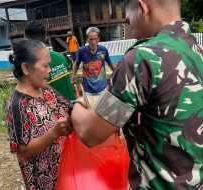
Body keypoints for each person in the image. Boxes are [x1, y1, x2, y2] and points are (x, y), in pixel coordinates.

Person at [69, 0, 203, 189]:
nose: (130, 28)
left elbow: (89, 132)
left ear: (142, 8)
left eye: (128, 20)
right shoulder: (198, 52)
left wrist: (75, 105)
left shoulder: (142, 59)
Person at [6, 39, 71, 190]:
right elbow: (24, 152)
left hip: (65, 171)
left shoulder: (46, 89)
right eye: (45, 66)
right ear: (26, 68)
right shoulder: (18, 104)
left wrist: (78, 106)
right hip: (44, 183)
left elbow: (66, 107)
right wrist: (54, 133)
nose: (50, 70)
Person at [24, 23, 76, 101]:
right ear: (45, 38)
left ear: (26, 40)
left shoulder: (31, 66)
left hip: (56, 111)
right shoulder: (61, 57)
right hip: (73, 106)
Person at [71, 27, 115, 97]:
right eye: (91, 39)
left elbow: (110, 63)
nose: (93, 42)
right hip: (88, 89)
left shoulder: (103, 50)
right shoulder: (82, 51)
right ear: (87, 39)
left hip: (101, 88)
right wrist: (73, 76)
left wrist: (118, 74)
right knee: (90, 107)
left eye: (95, 39)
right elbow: (77, 63)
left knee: (101, 106)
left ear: (99, 39)